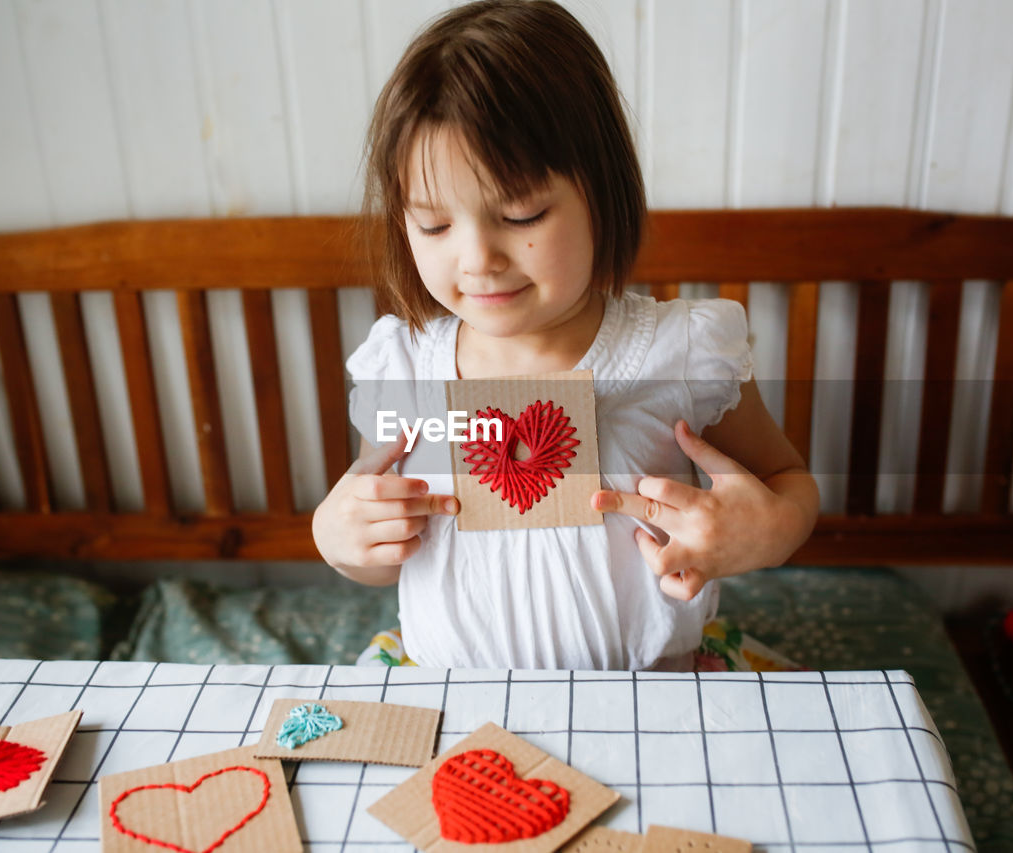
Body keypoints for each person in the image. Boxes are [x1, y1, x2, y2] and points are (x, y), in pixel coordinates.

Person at [311, 0, 818, 672]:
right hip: (452, 696)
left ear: (600, 194)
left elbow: (786, 480)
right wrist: (338, 538)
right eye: (434, 225)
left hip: (655, 690)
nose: (477, 258)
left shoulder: (679, 354)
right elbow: (381, 531)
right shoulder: (404, 369)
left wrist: (767, 530)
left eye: (520, 212)